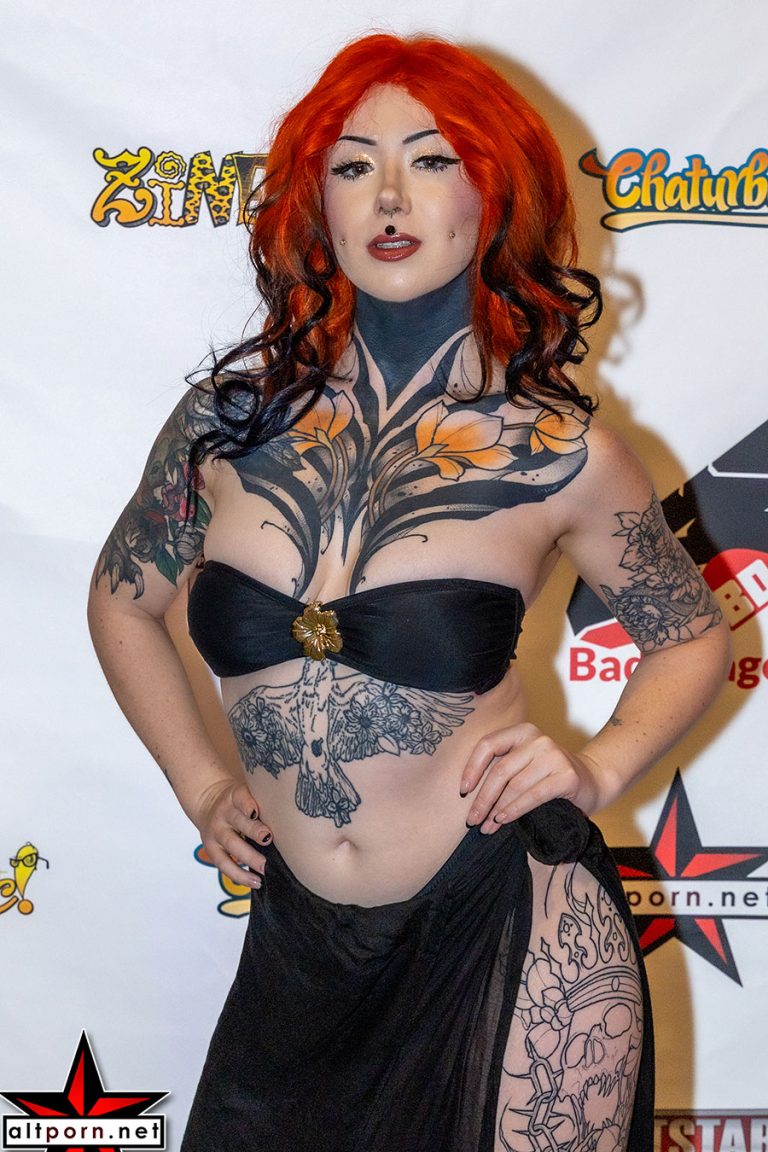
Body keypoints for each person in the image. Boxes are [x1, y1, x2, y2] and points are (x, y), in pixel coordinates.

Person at [87, 32, 730, 1152]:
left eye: (433, 160)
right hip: (299, 950)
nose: (389, 195)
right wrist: (201, 785)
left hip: (515, 935)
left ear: (495, 198)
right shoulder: (226, 426)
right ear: (316, 205)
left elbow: (691, 639)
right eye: (353, 164)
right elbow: (122, 603)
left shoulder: (558, 452)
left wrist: (598, 767)